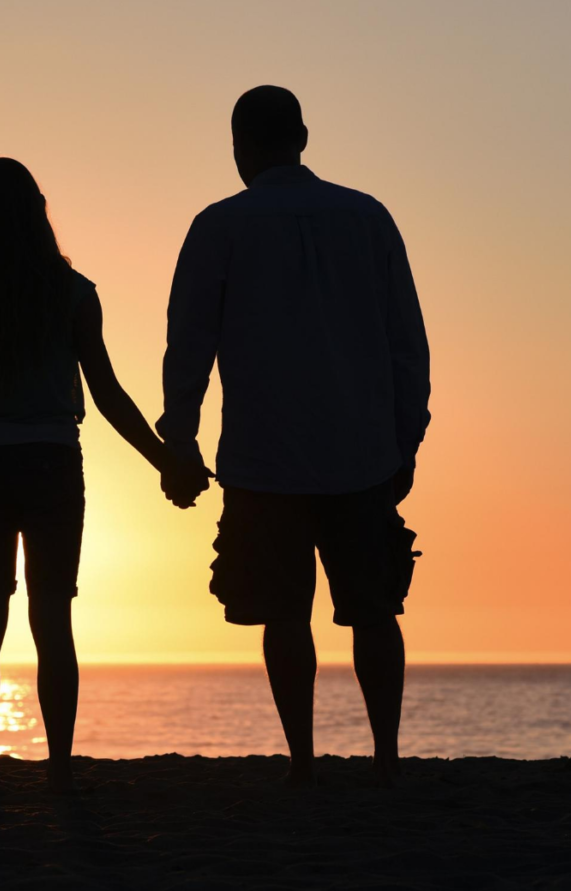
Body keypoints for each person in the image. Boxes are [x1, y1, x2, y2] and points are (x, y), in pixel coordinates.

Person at [158, 86, 431, 787]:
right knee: (373, 610)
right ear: (303, 135)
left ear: (239, 146)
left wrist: (179, 437)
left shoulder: (220, 226)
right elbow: (408, 343)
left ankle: (304, 761)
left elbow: (189, 344)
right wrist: (408, 437)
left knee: (284, 615)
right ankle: (387, 756)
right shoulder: (367, 217)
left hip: (264, 453)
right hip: (362, 448)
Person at [0, 158, 184, 798]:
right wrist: (164, 459)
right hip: (49, 461)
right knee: (52, 619)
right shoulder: (71, 292)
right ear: (37, 208)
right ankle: (61, 767)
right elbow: (106, 394)